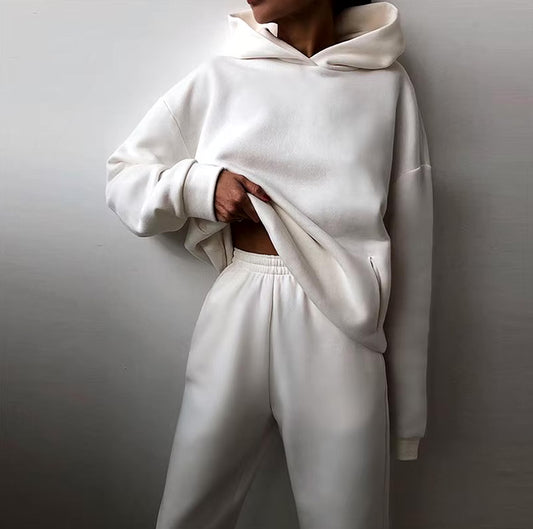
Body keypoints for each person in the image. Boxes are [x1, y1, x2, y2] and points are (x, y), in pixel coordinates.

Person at [105, 0, 434, 527]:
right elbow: (124, 177)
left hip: (342, 319)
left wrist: (409, 414)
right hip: (238, 305)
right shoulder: (221, 77)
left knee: (348, 517)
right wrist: (201, 186)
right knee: (190, 510)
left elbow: (413, 241)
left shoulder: (387, 86)